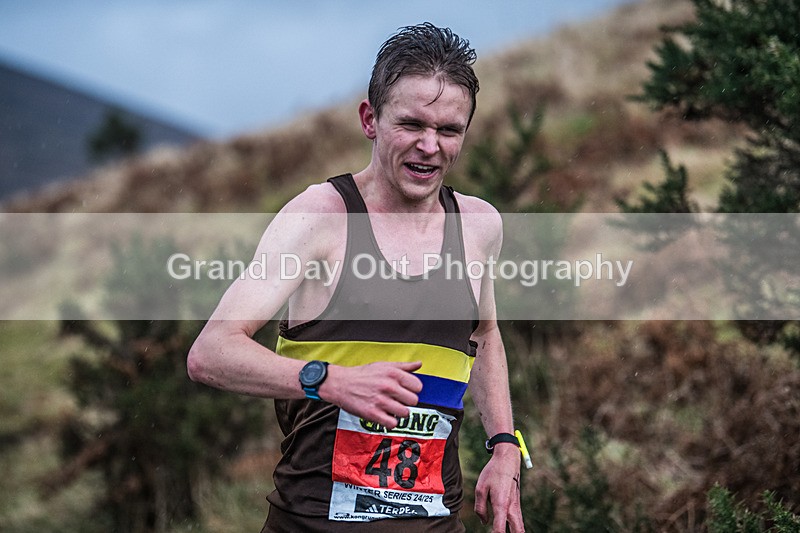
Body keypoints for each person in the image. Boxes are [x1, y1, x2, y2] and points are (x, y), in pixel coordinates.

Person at [188, 22, 524, 533]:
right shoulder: (320, 217)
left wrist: (503, 446)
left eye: (449, 130)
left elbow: (484, 335)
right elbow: (211, 353)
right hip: (312, 524)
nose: (429, 146)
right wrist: (330, 382)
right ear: (370, 119)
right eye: (411, 124)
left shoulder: (479, 226)